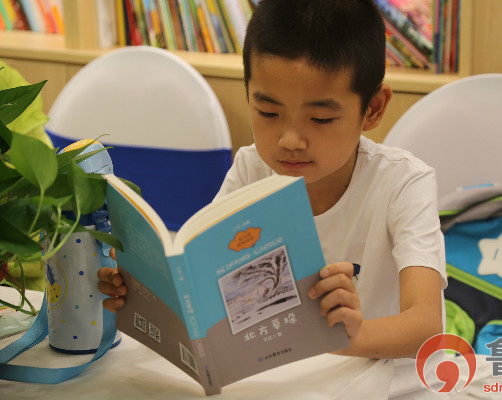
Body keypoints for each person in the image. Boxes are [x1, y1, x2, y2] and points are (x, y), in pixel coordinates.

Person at [98, 0, 446, 397]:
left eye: (320, 119)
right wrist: (143, 291)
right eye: (268, 112)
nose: (290, 140)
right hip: (288, 378)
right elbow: (206, 280)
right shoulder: (251, 168)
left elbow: (426, 325)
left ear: (373, 108)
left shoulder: (404, 183)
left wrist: (349, 333)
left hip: (387, 380)